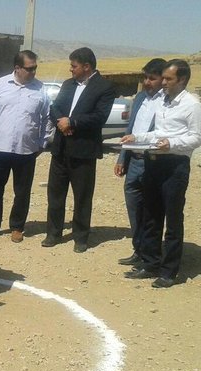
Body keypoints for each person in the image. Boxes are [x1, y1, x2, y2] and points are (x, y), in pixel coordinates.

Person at [121, 59, 201, 288]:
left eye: (168, 79)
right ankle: (150, 263)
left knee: (173, 219)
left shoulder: (192, 105)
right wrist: (137, 138)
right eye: (164, 78)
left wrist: (172, 144)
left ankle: (169, 271)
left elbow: (196, 138)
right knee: (151, 216)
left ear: (183, 80)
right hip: (154, 163)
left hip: (174, 166)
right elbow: (159, 132)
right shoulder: (164, 103)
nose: (164, 83)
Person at [42, 47, 115, 253]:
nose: (70, 69)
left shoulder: (104, 87)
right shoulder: (67, 84)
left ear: (86, 66)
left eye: (73, 66)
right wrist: (60, 122)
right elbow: (54, 108)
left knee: (82, 196)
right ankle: (53, 233)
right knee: (55, 194)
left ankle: (81, 237)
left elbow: (100, 117)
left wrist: (72, 122)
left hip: (83, 151)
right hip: (61, 148)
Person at [0, 50, 51, 243]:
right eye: (30, 68)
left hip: (26, 150)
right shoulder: (0, 85)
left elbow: (47, 118)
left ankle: (17, 226)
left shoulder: (40, 89)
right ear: (17, 68)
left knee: (22, 190)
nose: (34, 72)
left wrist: (43, 142)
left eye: (35, 68)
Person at [114, 58, 166, 266]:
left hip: (154, 162)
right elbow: (131, 130)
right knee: (134, 209)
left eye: (152, 78)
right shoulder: (140, 98)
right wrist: (122, 157)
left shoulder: (167, 102)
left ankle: (151, 254)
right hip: (134, 161)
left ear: (163, 79)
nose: (147, 82)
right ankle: (139, 250)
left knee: (152, 211)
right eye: (145, 77)